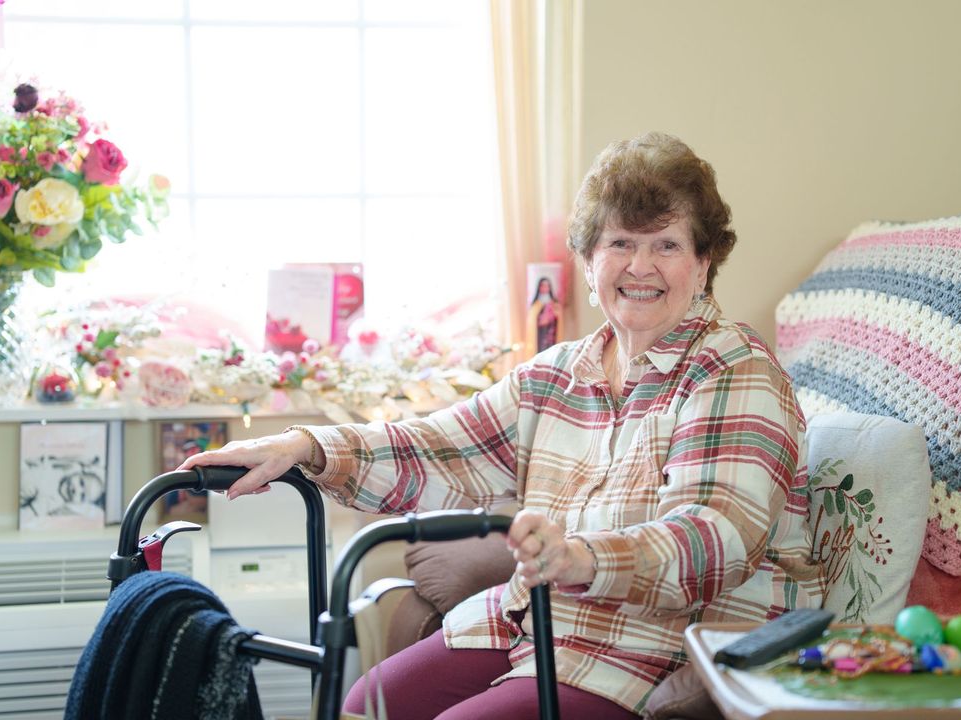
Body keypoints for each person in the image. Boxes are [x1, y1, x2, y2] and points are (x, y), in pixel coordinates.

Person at [180, 132, 825, 718]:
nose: (640, 266)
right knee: (366, 702)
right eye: (620, 243)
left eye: (667, 245)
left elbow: (711, 543)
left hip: (650, 649)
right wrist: (305, 446)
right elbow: (440, 447)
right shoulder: (558, 374)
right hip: (536, 619)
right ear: (589, 260)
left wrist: (577, 558)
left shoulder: (734, 371)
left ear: (705, 261)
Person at [526, 276, 563, 353]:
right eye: (542, 285)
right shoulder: (535, 305)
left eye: (547, 285)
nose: (545, 287)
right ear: (539, 287)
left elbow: (558, 319)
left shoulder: (554, 304)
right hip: (540, 336)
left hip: (552, 335)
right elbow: (533, 321)